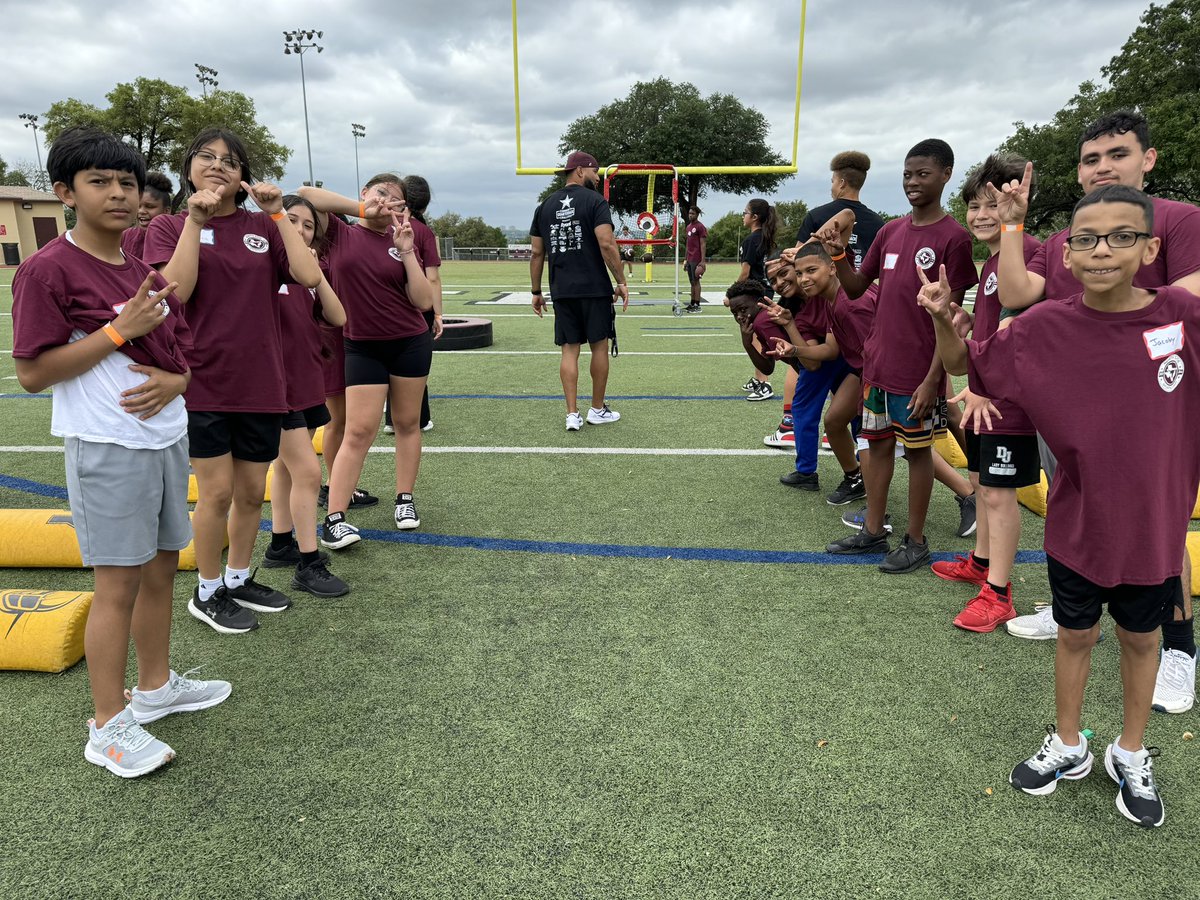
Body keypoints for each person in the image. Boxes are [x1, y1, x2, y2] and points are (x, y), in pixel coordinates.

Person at [921, 184, 1199, 829]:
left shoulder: (1181, 319)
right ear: (1066, 256)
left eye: (1122, 236)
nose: (1103, 249)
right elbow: (971, 362)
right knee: (1075, 634)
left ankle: (1130, 752)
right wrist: (943, 315)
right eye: (1086, 239)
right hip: (1078, 522)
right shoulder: (1043, 327)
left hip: (1154, 527)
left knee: (1142, 637)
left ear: (1150, 247)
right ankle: (1070, 744)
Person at [12, 126, 230, 777]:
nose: (116, 193)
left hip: (163, 439)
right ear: (64, 191)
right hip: (107, 448)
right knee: (117, 584)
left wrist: (180, 380)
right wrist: (116, 331)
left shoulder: (142, 270)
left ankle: (156, 687)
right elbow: (32, 372)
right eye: (99, 181)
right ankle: (107, 723)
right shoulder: (46, 269)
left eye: (127, 183)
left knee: (164, 567)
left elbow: (181, 356)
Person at [992, 113, 1200, 719]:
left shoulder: (1178, 219)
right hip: (1074, 402)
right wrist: (1012, 224)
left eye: (1117, 153)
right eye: (1091, 159)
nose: (1103, 167)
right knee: (1076, 502)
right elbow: (1015, 295)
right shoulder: (1070, 239)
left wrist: (1102, 331)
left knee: (1156, 524)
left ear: (1149, 159)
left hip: (1150, 410)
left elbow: (1186, 305)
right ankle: (1074, 608)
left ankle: (1180, 646)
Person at [145, 128, 323, 634]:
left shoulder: (262, 227)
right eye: (208, 157)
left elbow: (309, 277)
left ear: (244, 174)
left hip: (263, 380)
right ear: (189, 168)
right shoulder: (169, 227)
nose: (219, 165)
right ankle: (206, 590)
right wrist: (196, 221)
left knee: (251, 492)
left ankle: (239, 576)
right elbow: (175, 294)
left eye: (231, 161)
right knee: (217, 493)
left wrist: (274, 214)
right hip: (204, 380)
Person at [824, 138, 978, 573]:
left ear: (946, 174)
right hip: (877, 366)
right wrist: (837, 252)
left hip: (918, 374)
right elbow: (855, 288)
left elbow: (949, 318)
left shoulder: (954, 238)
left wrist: (933, 381)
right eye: (907, 174)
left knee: (918, 453)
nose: (912, 182)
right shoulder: (891, 230)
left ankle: (915, 540)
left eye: (922, 173)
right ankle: (874, 531)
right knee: (875, 448)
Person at [929, 154, 1042, 632]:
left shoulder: (1030, 251)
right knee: (981, 477)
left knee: (997, 495)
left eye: (992, 204)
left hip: (1009, 401)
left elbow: (1027, 325)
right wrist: (967, 323)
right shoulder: (994, 259)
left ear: (1016, 203)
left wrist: (983, 385)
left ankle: (999, 592)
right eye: (974, 205)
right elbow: (1002, 324)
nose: (980, 215)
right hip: (986, 393)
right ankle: (980, 562)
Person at [298, 176, 436, 549]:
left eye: (396, 199)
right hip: (361, 346)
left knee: (408, 424)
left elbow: (422, 301)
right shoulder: (339, 233)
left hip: (410, 343)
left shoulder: (403, 238)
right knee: (358, 431)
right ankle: (335, 518)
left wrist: (407, 252)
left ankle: (404, 500)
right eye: (380, 193)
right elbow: (306, 196)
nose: (387, 202)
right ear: (363, 194)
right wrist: (363, 210)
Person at [261, 194, 349, 597]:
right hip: (274, 389)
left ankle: (281, 543)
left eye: (308, 225)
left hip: (303, 383)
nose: (299, 229)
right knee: (309, 473)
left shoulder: (306, 276)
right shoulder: (261, 270)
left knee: (286, 468)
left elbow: (338, 316)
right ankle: (308, 563)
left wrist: (314, 270)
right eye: (290, 220)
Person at [529, 150, 629, 431]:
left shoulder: (545, 206)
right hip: (594, 288)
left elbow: (537, 253)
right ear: (581, 170)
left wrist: (536, 291)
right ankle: (597, 409)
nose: (598, 177)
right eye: (595, 171)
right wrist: (621, 280)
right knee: (599, 346)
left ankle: (572, 413)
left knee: (569, 351)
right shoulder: (596, 201)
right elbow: (606, 243)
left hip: (562, 288)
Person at [384, 174, 443, 434]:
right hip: (417, 308)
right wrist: (438, 314)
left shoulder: (384, 225)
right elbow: (433, 277)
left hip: (386, 305)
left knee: (385, 360)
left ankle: (389, 417)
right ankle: (419, 417)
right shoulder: (423, 231)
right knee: (414, 365)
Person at [795, 151, 886, 270]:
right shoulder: (878, 223)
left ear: (842, 183)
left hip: (827, 286)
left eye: (833, 182)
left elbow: (798, 258)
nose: (831, 187)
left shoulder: (816, 215)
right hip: (865, 286)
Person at [738, 198, 778, 401]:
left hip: (754, 295)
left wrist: (732, 295)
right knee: (757, 335)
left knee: (754, 337)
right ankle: (758, 378)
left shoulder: (751, 240)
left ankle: (764, 383)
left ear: (754, 217)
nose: (743, 216)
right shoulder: (766, 237)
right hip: (766, 292)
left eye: (745, 212)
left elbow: (745, 274)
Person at [120, 170, 172, 260]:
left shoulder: (175, 238)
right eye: (138, 206)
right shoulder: (126, 235)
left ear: (166, 211)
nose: (141, 211)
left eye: (149, 206)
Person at [684, 206, 707, 312]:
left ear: (697, 215)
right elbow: (688, 245)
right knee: (692, 282)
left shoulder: (700, 227)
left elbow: (703, 244)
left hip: (697, 258)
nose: (690, 215)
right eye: (689, 213)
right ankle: (692, 303)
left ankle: (697, 305)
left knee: (696, 281)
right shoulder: (688, 227)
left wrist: (702, 261)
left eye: (692, 213)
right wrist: (685, 259)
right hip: (689, 258)